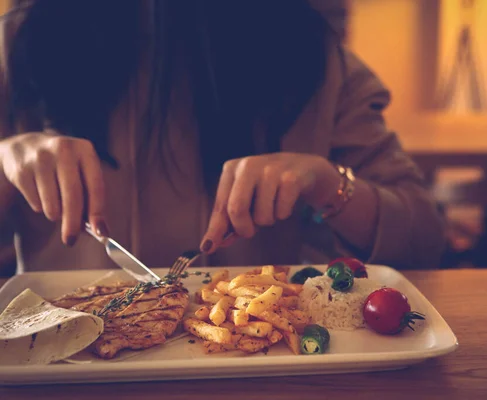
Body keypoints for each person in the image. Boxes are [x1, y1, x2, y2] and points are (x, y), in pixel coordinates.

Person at [0, 0, 445, 274]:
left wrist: (328, 183)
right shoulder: (17, 47)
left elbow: (423, 239)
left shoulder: (313, 59)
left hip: (259, 375)